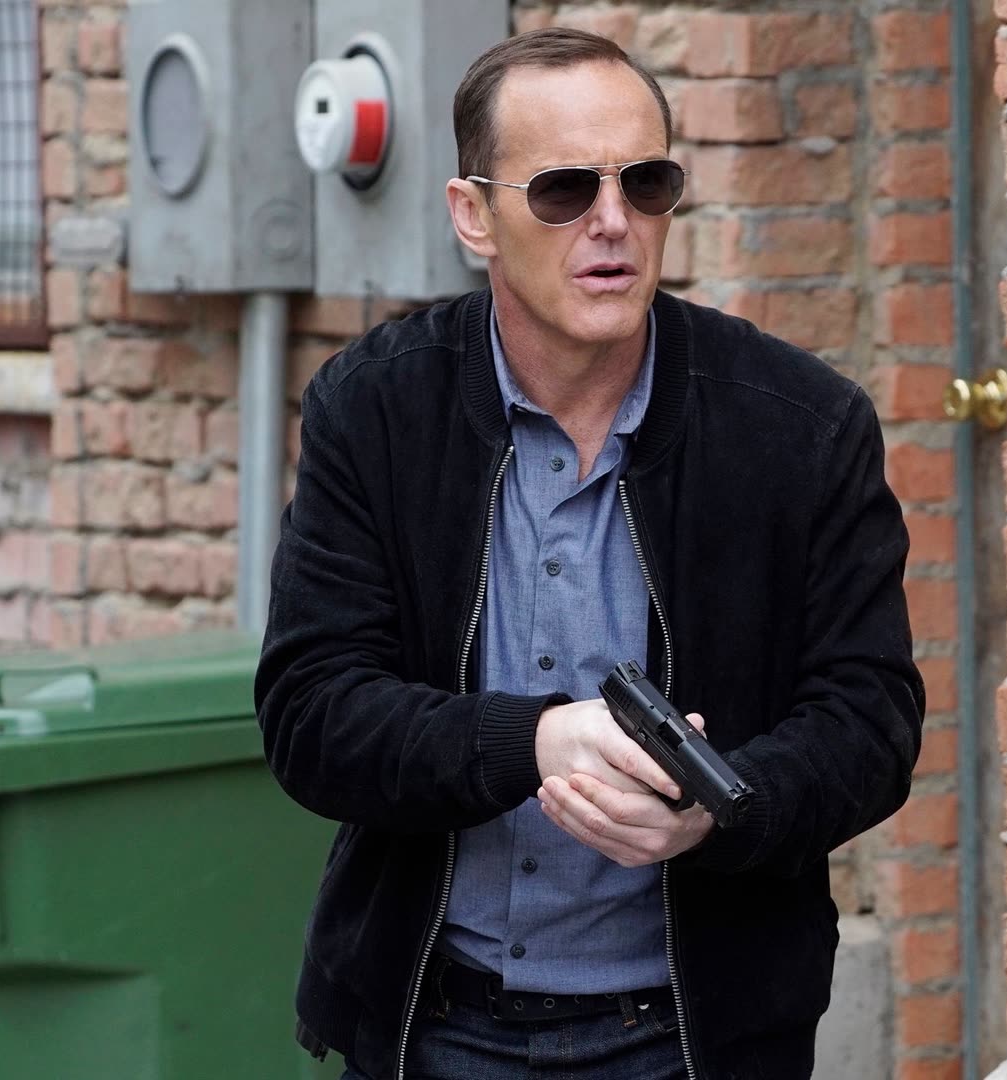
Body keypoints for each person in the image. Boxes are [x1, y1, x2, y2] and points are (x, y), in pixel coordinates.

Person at [253, 27, 924, 1080]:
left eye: (645, 183)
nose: (613, 222)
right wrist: (533, 743)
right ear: (473, 214)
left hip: (697, 1039)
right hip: (434, 1027)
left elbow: (871, 722)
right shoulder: (373, 410)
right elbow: (313, 713)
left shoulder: (801, 426)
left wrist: (723, 807)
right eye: (565, 190)